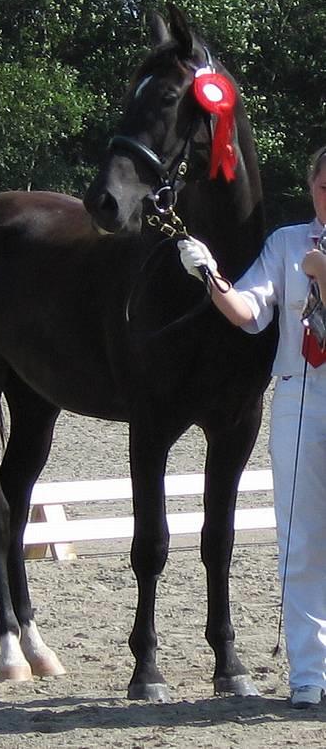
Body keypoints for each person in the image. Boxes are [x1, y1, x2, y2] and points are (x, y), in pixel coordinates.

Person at [178, 146, 326, 709]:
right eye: (323, 188)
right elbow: (249, 312)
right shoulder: (288, 244)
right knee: (301, 542)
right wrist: (210, 273)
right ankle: (309, 674)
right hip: (301, 400)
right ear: (310, 187)